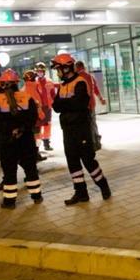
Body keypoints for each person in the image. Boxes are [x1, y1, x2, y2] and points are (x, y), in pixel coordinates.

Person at [51, 53, 111, 205]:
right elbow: (56, 106)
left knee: (88, 161)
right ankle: (81, 193)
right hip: (68, 131)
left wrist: (65, 103)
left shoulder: (80, 82)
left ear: (66, 68)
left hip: (81, 130)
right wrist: (67, 103)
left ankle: (103, 186)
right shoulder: (63, 86)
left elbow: (78, 104)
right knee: (73, 163)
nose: (57, 72)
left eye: (58, 68)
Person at [0, 69, 42, 208]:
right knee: (30, 168)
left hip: (8, 142)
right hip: (26, 140)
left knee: (9, 172)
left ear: (2, 84)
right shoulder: (27, 97)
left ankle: (9, 201)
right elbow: (32, 118)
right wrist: (21, 129)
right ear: (16, 83)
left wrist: (10, 131)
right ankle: (37, 196)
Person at [76, 61, 106, 151]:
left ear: (78, 67)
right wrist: (101, 99)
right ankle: (97, 142)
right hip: (91, 104)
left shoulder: (78, 77)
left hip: (83, 105)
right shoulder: (90, 76)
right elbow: (96, 89)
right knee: (93, 123)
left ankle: (92, 143)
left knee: (87, 125)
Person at [22, 70, 48, 162]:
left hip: (27, 118)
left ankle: (33, 154)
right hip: (36, 118)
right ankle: (35, 154)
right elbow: (37, 105)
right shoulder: (34, 88)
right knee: (37, 137)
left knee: (31, 137)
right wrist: (41, 115)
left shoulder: (23, 89)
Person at [34, 62, 56, 152]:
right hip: (38, 108)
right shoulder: (34, 82)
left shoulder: (49, 82)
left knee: (47, 125)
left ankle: (46, 143)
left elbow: (53, 95)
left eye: (41, 71)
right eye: (38, 71)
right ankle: (37, 147)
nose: (40, 72)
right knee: (38, 127)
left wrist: (54, 104)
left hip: (47, 107)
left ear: (44, 71)